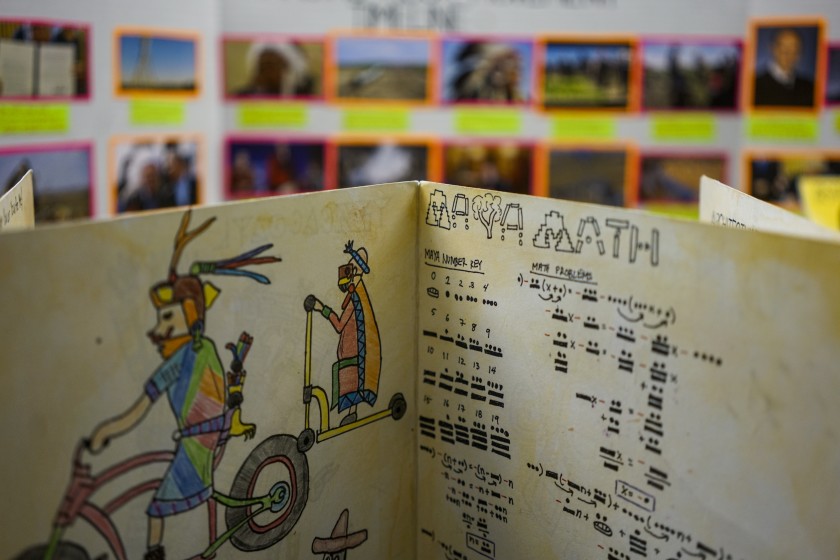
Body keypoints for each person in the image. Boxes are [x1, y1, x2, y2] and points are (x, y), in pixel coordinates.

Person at [87, 211, 280, 560]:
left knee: (156, 509)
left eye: (167, 318)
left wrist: (106, 432)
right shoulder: (192, 351)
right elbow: (144, 405)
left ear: (190, 317)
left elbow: (141, 409)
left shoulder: (193, 352)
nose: (158, 330)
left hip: (199, 446)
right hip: (202, 437)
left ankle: (155, 554)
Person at [311, 241, 381, 426]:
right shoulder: (355, 297)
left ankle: (352, 412)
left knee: (351, 380)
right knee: (350, 379)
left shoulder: (354, 299)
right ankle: (351, 412)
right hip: (351, 349)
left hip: (353, 350)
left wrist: (321, 308)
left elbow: (340, 325)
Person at [753, 28, 815, 108]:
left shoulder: (809, 88)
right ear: (773, 48)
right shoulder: (755, 85)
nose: (789, 53)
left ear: (800, 53)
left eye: (794, 48)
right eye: (784, 47)